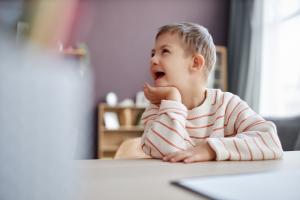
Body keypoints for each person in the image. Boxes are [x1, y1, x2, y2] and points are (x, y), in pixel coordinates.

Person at [140, 22, 283, 163]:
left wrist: (210, 149)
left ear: (195, 63)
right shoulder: (157, 109)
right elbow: (168, 152)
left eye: (164, 51)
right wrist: (173, 98)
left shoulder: (227, 105)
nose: (153, 59)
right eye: (153, 53)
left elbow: (271, 141)